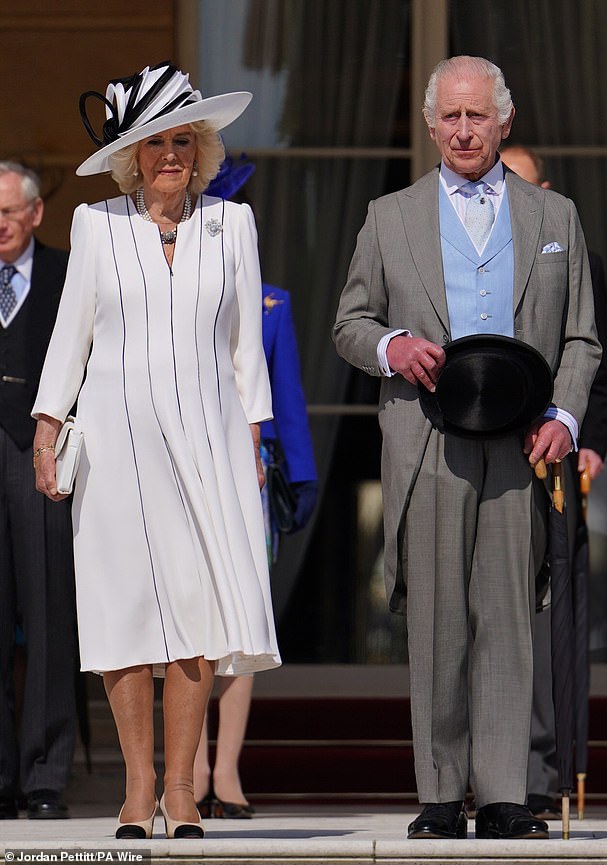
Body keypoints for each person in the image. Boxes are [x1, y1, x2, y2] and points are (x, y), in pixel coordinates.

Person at [333, 55, 601, 841]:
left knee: (510, 619)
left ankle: (508, 793)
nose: (462, 130)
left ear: (503, 120)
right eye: (448, 117)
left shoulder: (557, 220)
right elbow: (349, 322)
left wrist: (567, 418)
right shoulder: (390, 215)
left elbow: (583, 338)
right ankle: (442, 794)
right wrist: (391, 348)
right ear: (429, 124)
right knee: (441, 621)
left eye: (476, 116)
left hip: (522, 446)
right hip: (428, 442)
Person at [31, 62, 280, 840]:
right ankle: (137, 785)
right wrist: (47, 425)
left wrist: (254, 440)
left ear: (199, 149)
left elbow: (247, 350)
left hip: (208, 443)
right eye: (154, 143)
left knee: (198, 609)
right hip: (112, 441)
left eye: (182, 140)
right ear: (131, 156)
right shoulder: (96, 225)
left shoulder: (231, 225)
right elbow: (71, 332)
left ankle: (182, 788)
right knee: (122, 610)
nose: (170, 155)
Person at [193, 155, 318, 818]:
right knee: (188, 624)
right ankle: (186, 770)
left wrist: (301, 477)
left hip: (251, 476)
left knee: (242, 623)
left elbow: (289, 400)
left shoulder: (274, 303)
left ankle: (228, 772)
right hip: (183, 470)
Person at [500, 144, 607, 819]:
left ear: (545, 192)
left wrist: (590, 443)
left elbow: (604, 377)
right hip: (484, 466)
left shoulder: (582, 264)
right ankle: (484, 769)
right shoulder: (471, 266)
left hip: (554, 466)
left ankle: (541, 773)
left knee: (551, 629)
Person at [0, 162, 76, 821]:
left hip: (42, 458)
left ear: (34, 213)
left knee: (49, 616)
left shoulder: (70, 273)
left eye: (7, 210)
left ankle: (46, 775)